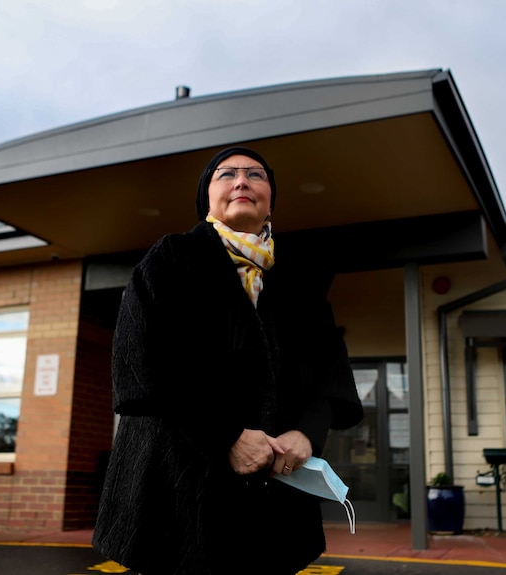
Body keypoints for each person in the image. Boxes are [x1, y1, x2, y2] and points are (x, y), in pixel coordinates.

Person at [92, 146, 364, 575]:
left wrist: (306, 434)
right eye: (227, 174)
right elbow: (142, 363)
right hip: (177, 484)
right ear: (208, 199)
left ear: (270, 198)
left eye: (255, 175)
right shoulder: (170, 259)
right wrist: (226, 436)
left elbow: (326, 371)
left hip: (274, 491)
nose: (241, 181)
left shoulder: (299, 279)